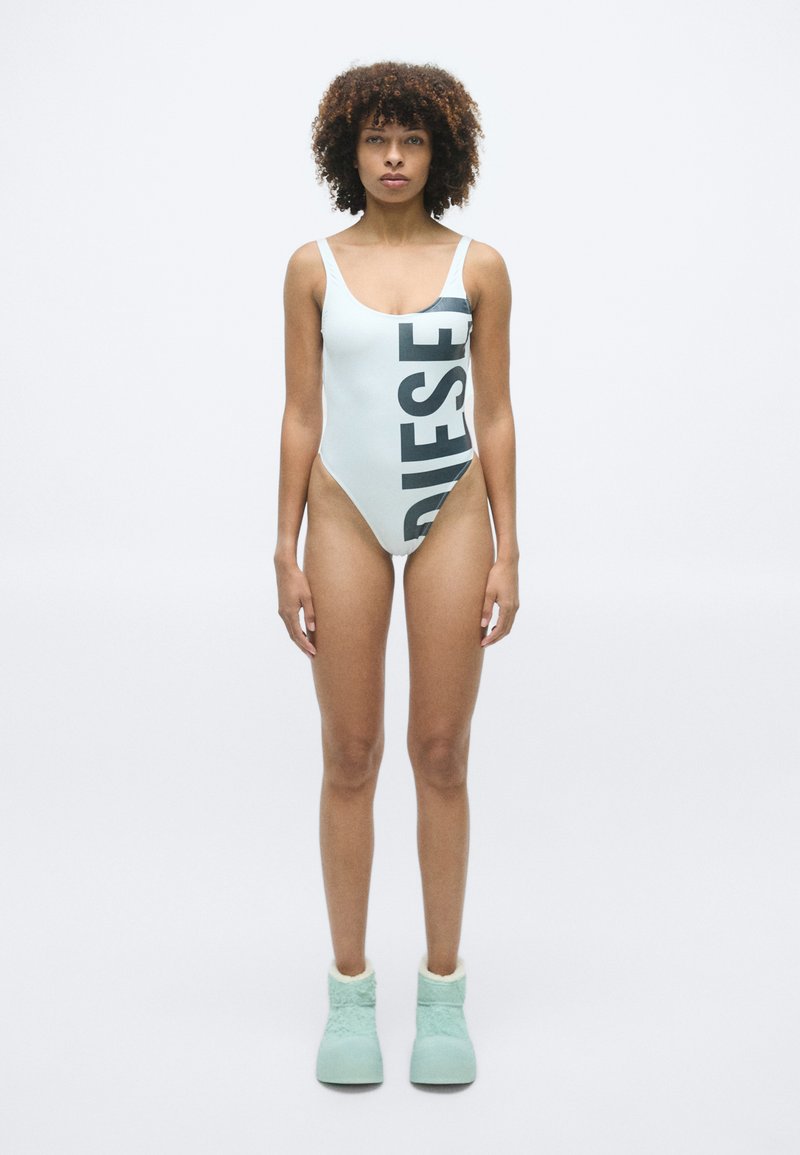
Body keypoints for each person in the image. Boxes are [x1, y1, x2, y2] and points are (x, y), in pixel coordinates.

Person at [274, 60, 519, 1086]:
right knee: (349, 752)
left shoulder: (479, 266)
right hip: (344, 513)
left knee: (441, 752)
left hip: (450, 510)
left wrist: (510, 546)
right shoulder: (312, 267)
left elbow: (494, 413)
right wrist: (282, 546)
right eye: (376, 138)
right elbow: (302, 412)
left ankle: (443, 996)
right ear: (349, 150)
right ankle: (348, 994)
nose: (392, 157)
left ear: (439, 152)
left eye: (411, 140)